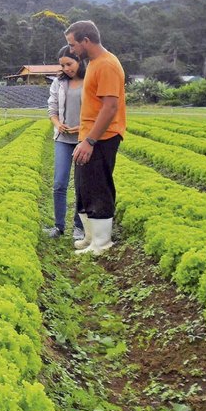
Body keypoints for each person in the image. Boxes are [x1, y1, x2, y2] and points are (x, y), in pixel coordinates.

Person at [65, 20, 127, 255]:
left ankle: (102, 243)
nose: (71, 49)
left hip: (102, 137)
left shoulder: (107, 65)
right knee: (84, 186)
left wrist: (90, 141)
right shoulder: (93, 63)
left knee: (98, 185)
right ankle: (91, 238)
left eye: (73, 44)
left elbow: (110, 107)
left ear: (86, 41)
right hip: (89, 136)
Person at [44, 45, 86, 241]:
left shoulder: (89, 80)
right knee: (59, 183)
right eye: (63, 65)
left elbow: (96, 110)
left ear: (79, 60)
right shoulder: (58, 83)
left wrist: (82, 129)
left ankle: (79, 226)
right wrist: (58, 124)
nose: (66, 68)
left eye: (69, 64)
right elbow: (52, 107)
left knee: (80, 185)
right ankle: (58, 226)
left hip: (82, 140)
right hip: (62, 138)